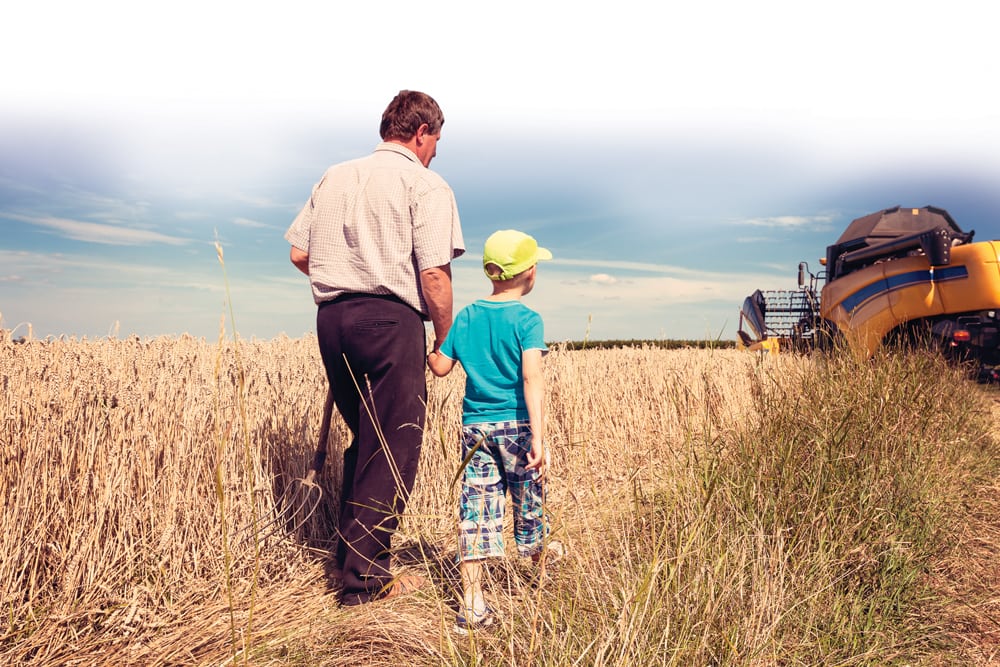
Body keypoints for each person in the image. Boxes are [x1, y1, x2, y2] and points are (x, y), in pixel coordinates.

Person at [285, 90, 465, 606]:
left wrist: (343, 275)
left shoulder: (335, 174)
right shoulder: (425, 183)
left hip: (332, 320)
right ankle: (365, 581)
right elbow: (433, 271)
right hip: (390, 320)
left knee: (367, 440)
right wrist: (443, 338)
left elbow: (301, 252)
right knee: (393, 445)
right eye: (436, 140)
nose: (435, 151)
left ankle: (348, 560)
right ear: (421, 132)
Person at [427, 229, 561, 634]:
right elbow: (531, 377)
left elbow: (441, 367)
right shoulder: (527, 319)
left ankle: (472, 605)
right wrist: (539, 437)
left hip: (476, 430)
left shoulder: (466, 315)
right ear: (529, 273)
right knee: (528, 496)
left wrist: (430, 346)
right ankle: (538, 561)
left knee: (478, 509)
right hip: (518, 427)